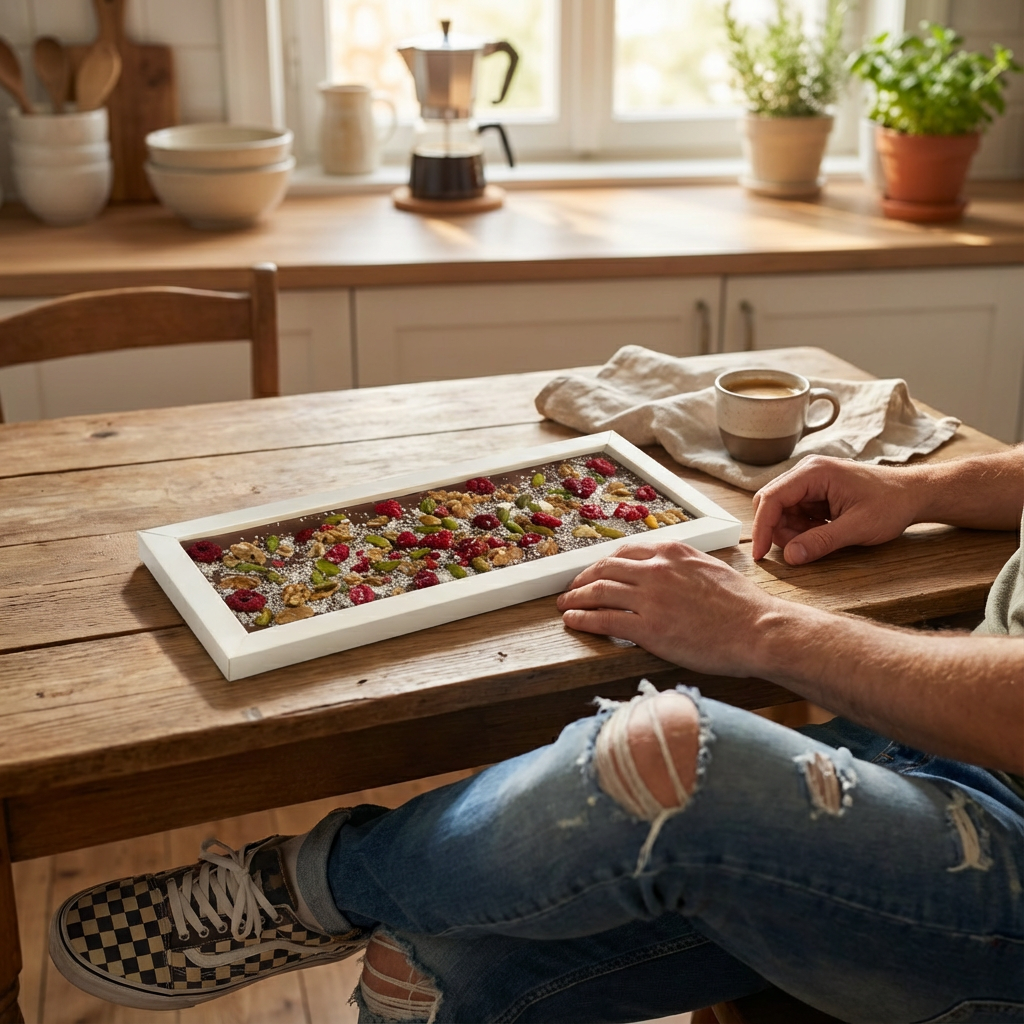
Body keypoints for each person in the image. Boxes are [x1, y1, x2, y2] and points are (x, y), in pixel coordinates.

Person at [50, 449, 1024, 1023]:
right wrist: (924, 486)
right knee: (430, 966)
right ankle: (345, 899)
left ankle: (312, 883)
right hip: (953, 746)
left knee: (670, 758)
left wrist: (762, 628)